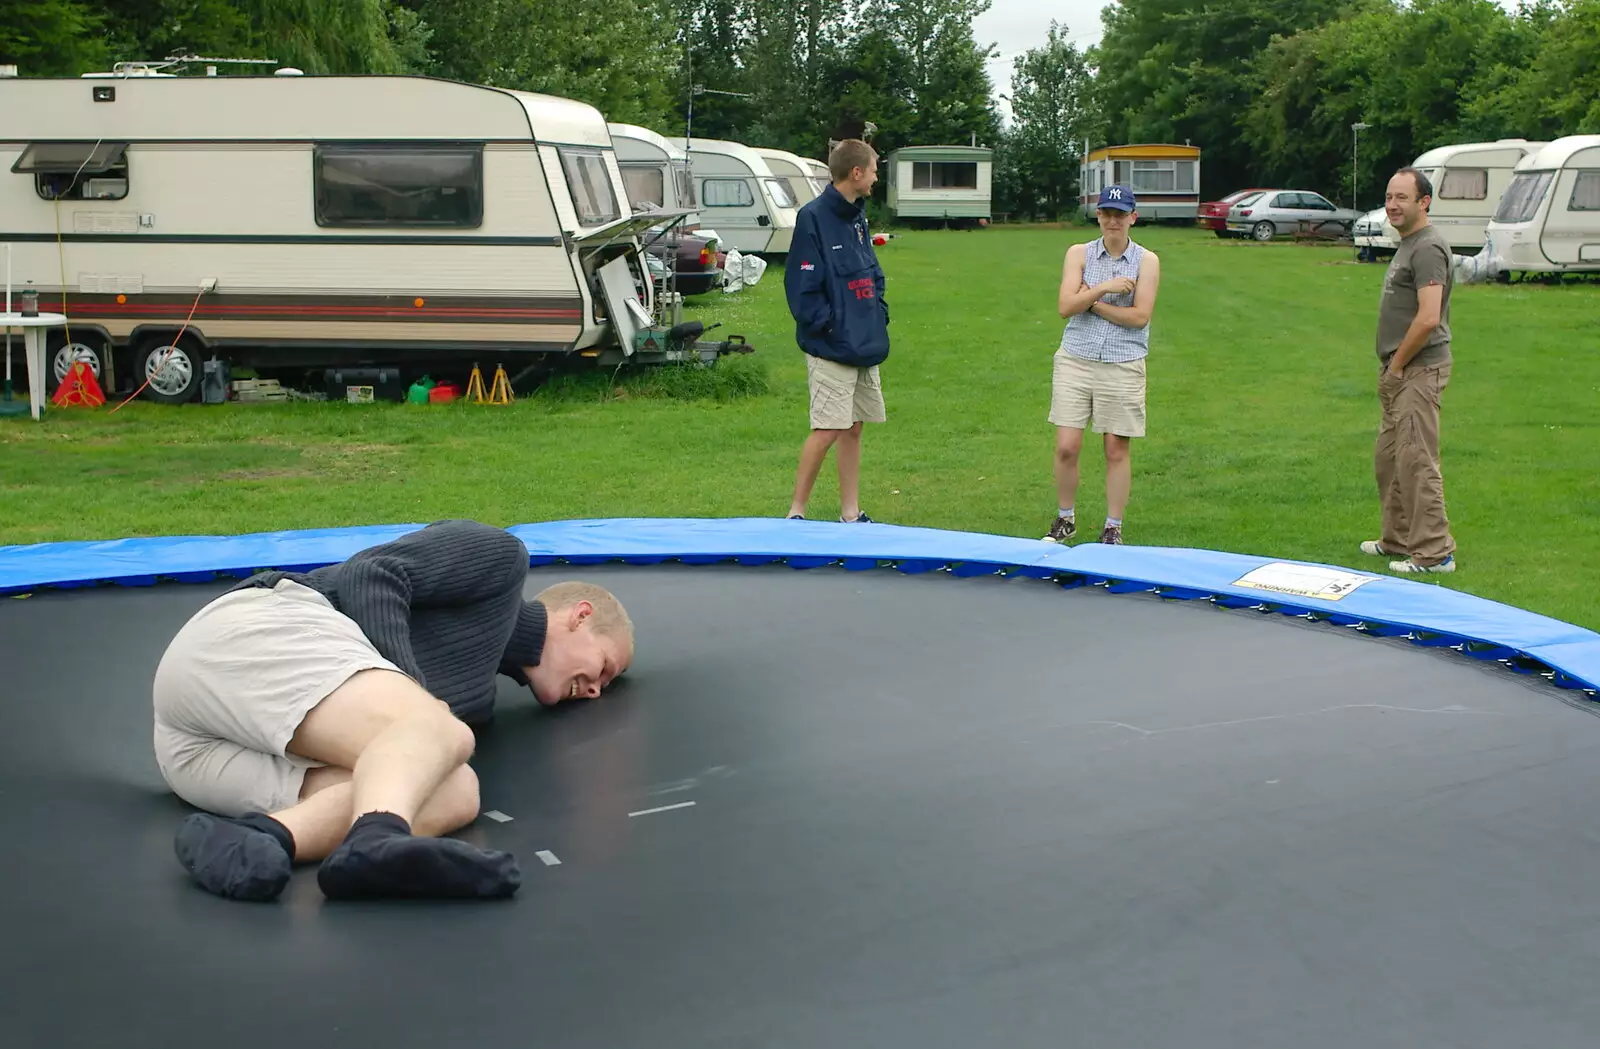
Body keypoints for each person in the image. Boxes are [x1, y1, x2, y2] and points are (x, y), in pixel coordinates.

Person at [151, 518, 634, 903]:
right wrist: (423, 705)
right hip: (250, 634)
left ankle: (262, 840)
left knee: (456, 789)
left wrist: (427, 717)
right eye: (605, 668)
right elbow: (372, 573)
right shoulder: (504, 563)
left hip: (195, 752)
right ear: (581, 616)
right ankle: (375, 840)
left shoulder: (478, 702)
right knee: (440, 733)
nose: (596, 691)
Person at [1043, 183, 1161, 545]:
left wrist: (1088, 299)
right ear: (1098, 216)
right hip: (1076, 357)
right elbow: (1065, 307)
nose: (1113, 221)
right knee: (1066, 445)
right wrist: (1104, 289)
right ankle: (1065, 519)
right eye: (1107, 214)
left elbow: (1139, 316)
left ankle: (1113, 527)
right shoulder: (1079, 253)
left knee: (1115, 446)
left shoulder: (1147, 261)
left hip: (1123, 361)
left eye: (1120, 215)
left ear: (1133, 218)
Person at [783, 137, 890, 523]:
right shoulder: (813, 217)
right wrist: (828, 326)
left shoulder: (857, 215)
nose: (877, 178)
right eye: (874, 170)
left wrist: (878, 312)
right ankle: (796, 512)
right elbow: (801, 286)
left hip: (863, 339)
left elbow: (871, 270)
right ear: (856, 172)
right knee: (828, 427)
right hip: (830, 345)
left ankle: (850, 513)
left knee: (855, 426)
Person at [1363, 167, 1457, 574]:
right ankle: (1398, 539)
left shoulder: (1428, 248)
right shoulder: (1409, 243)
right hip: (1399, 370)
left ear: (1424, 202)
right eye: (1388, 197)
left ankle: (1435, 554)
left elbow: (1429, 317)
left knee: (1418, 460)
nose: (1392, 205)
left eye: (1402, 198)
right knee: (1390, 459)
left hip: (1417, 370)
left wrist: (1397, 366)